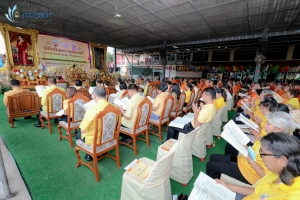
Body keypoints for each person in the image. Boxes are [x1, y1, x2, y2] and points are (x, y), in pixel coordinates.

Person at [207, 112, 296, 186]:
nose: (265, 126)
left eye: (268, 124)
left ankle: (216, 188)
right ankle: (218, 181)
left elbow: (264, 175)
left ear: (280, 128)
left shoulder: (277, 147)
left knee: (211, 165)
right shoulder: (271, 137)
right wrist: (245, 146)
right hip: (243, 160)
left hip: (249, 172)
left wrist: (250, 159)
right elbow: (256, 148)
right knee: (213, 157)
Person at [216, 132, 300, 200]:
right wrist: (227, 185)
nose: (261, 157)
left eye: (262, 153)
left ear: (282, 160)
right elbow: (257, 192)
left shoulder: (290, 196)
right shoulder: (275, 172)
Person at [76, 86, 108, 161]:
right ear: (105, 95)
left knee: (78, 135)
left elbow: (83, 130)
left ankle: (90, 154)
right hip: (108, 137)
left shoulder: (92, 110)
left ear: (94, 95)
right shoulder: (114, 107)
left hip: (95, 140)